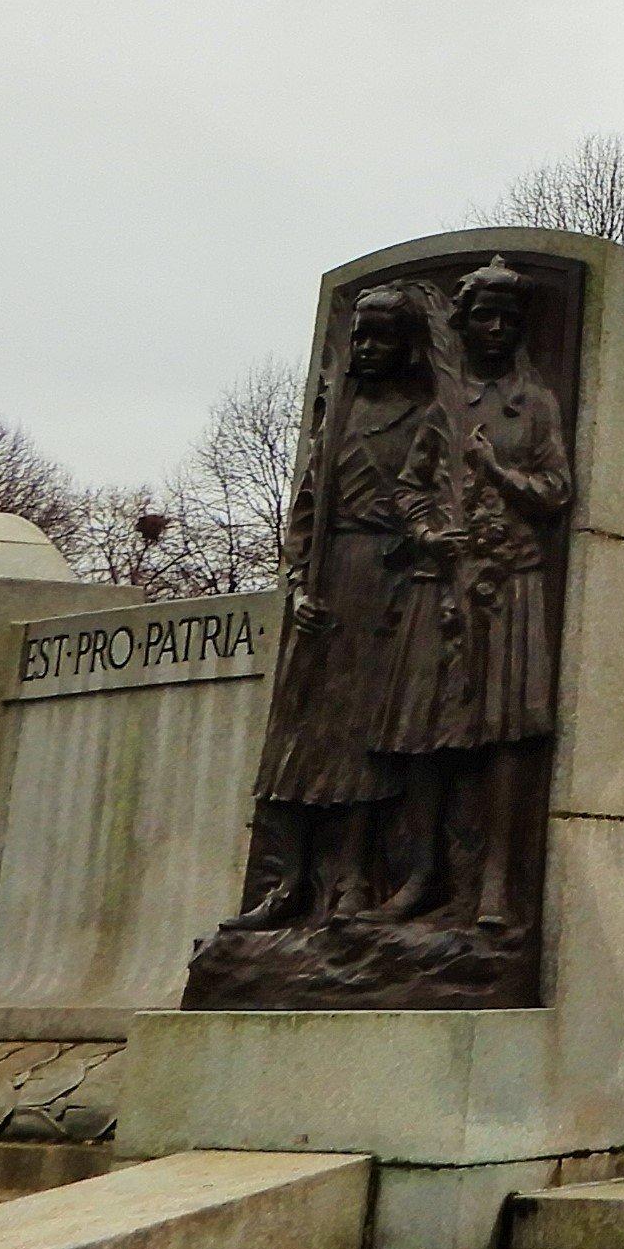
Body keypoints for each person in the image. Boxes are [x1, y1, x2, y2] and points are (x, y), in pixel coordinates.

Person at [229, 281, 451, 932]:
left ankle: (352, 880)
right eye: (361, 336)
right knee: (297, 741)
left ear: (406, 344)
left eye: (384, 336)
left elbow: (434, 505)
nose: (370, 348)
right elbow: (303, 518)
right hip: (323, 589)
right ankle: (288, 881)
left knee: (359, 747)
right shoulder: (339, 420)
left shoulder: (423, 418)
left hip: (381, 589)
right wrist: (298, 586)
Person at [370, 258, 570, 932]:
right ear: (465, 323)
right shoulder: (446, 408)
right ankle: (421, 876)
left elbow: (556, 491)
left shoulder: (535, 404)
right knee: (426, 735)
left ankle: (494, 885)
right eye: (481, 317)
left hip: (509, 583)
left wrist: (499, 470)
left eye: (505, 320)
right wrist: (427, 531)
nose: (493, 329)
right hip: (444, 584)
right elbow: (407, 487)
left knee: (506, 740)